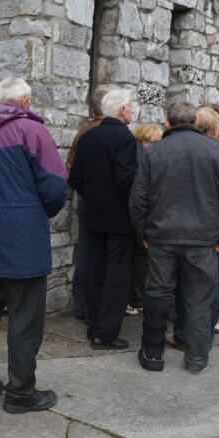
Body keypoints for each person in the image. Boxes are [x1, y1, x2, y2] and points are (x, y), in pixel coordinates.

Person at [0, 77, 68, 413]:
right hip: (22, 241)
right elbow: (55, 187)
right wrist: (35, 213)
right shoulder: (31, 131)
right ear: (24, 101)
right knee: (24, 319)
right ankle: (20, 393)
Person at [131, 101, 219, 375]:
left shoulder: (154, 153)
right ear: (194, 120)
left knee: (158, 293)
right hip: (201, 238)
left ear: (167, 123)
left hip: (163, 236)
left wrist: (143, 231)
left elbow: (138, 200)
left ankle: (153, 354)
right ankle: (196, 358)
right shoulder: (217, 152)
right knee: (199, 299)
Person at [68, 89, 138, 350]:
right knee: (117, 276)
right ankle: (106, 333)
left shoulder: (89, 137)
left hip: (93, 214)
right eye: (130, 107)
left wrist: (95, 197)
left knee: (95, 272)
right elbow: (127, 181)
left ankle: (94, 327)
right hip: (119, 219)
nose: (131, 111)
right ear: (121, 111)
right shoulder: (125, 139)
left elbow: (75, 177)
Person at [65, 90, 106, 321]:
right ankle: (90, 307)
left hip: (87, 199)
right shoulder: (107, 132)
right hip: (104, 203)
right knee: (98, 256)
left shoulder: (83, 133)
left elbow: (71, 169)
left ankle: (81, 305)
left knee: (86, 253)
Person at [127, 123, 163, 315]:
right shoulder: (141, 159)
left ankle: (137, 298)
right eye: (152, 141)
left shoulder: (143, 157)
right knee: (140, 259)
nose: (155, 145)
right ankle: (136, 299)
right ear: (143, 141)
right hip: (140, 217)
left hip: (142, 216)